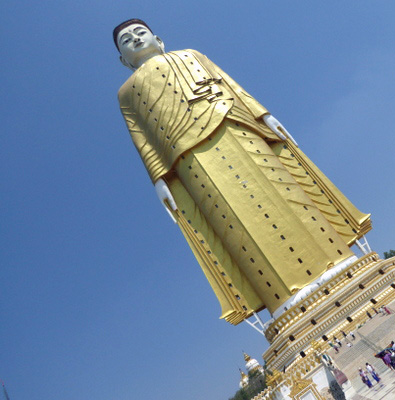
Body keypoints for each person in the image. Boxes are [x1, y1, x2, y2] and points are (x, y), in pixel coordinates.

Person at [114, 19, 371, 325]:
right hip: (188, 157)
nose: (135, 39)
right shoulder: (126, 93)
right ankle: (282, 299)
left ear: (158, 38)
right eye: (126, 40)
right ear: (122, 60)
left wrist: (263, 115)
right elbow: (141, 137)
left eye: (140, 33)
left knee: (284, 188)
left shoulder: (192, 55)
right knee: (232, 218)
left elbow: (230, 85)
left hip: (234, 123)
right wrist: (158, 177)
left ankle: (338, 260)